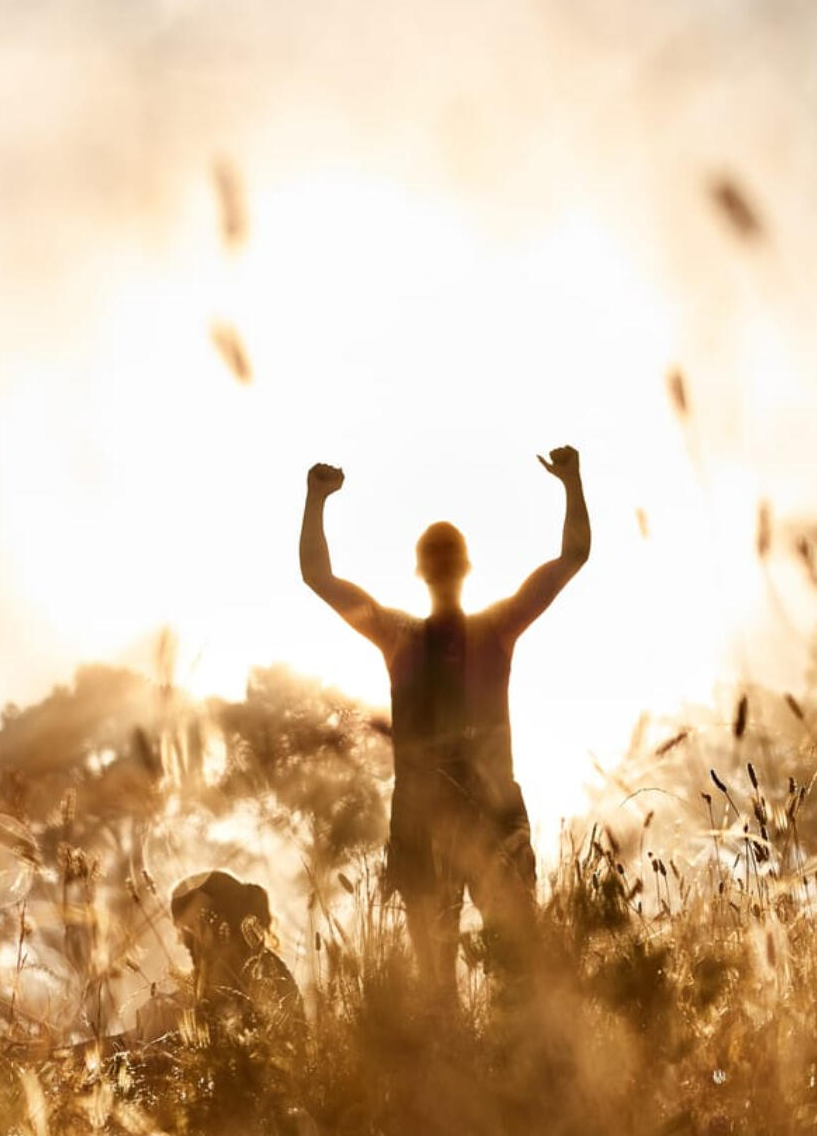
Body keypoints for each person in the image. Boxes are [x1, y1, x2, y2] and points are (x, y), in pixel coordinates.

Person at [299, 446, 590, 1011]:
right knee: (515, 971)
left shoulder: (399, 636)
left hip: (430, 816)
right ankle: (516, 1080)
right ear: (466, 568)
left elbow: (317, 576)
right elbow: (572, 556)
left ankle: (466, 1077)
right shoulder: (494, 629)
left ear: (420, 571)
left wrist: (316, 501)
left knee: (445, 980)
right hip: (483, 812)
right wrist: (571, 483)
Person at [168, 869, 304, 1047]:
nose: (181, 941)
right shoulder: (202, 984)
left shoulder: (267, 976)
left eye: (189, 930)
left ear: (221, 922)